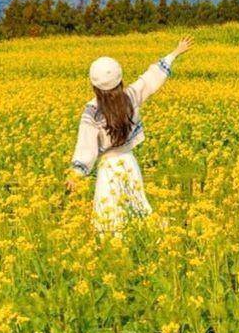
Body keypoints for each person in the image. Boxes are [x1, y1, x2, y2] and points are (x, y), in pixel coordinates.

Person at [66, 36, 193, 230]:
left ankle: (115, 253)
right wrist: (175, 53)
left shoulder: (92, 111)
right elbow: (150, 79)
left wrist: (76, 173)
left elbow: (86, 148)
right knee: (138, 210)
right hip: (129, 164)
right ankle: (166, 235)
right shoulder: (130, 97)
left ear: (94, 85)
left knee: (109, 220)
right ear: (120, 80)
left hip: (109, 168)